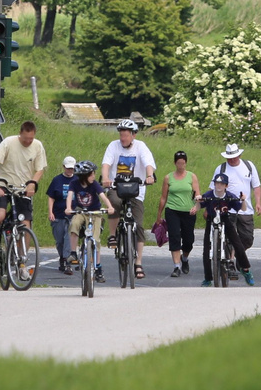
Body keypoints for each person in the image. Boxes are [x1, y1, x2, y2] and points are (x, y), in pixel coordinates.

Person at [100, 120, 157, 279]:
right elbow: (106, 164)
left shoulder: (141, 146)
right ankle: (113, 235)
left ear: (133, 135)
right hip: (116, 188)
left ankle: (138, 262)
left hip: (135, 190)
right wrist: (105, 178)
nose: (122, 138)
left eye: (125, 135)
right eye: (121, 134)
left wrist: (150, 176)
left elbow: (148, 163)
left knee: (138, 224)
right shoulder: (113, 146)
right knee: (115, 203)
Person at [0, 120, 47, 251]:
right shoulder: (9, 142)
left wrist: (32, 184)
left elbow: (40, 169)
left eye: (31, 139)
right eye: (25, 139)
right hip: (3, 185)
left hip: (22, 188)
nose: (28, 142)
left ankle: (22, 261)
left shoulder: (38, 146)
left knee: (26, 224)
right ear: (20, 134)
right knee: (0, 216)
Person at [214, 143, 261, 285]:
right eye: (229, 158)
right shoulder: (221, 168)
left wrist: (258, 203)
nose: (232, 160)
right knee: (230, 237)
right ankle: (230, 261)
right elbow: (214, 188)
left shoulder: (249, 166)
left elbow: (256, 186)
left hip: (245, 208)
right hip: (227, 208)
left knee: (247, 238)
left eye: (234, 157)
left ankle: (239, 258)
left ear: (239, 155)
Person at [66, 160, 115, 282]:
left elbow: (103, 196)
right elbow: (69, 196)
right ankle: (73, 252)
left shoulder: (94, 185)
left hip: (95, 213)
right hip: (81, 212)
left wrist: (110, 207)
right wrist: (68, 208)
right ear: (84, 176)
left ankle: (98, 267)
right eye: (92, 174)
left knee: (96, 239)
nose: (94, 176)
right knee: (74, 224)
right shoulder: (74, 183)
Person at [193, 172, 246, 285]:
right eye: (217, 183)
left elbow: (242, 208)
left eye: (222, 184)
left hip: (225, 219)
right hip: (211, 220)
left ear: (226, 186)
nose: (219, 186)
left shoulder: (229, 196)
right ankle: (208, 278)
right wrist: (196, 204)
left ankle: (246, 269)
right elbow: (200, 204)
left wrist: (243, 200)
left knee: (238, 244)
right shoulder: (209, 194)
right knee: (206, 251)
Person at [161, 150, 200, 278]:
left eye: (183, 163)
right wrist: (158, 215)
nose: (181, 166)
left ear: (186, 163)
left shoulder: (191, 176)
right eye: (178, 163)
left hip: (188, 211)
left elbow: (197, 195)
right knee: (174, 236)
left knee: (188, 240)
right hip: (172, 210)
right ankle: (176, 266)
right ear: (175, 163)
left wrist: (196, 206)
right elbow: (163, 197)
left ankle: (185, 258)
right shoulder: (168, 177)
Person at [43, 155, 82, 274]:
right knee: (59, 240)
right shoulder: (57, 180)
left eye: (72, 168)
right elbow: (51, 197)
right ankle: (62, 258)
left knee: (68, 238)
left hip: (73, 215)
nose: (70, 171)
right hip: (58, 214)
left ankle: (67, 262)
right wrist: (50, 212)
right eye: (68, 168)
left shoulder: (77, 180)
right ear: (63, 167)